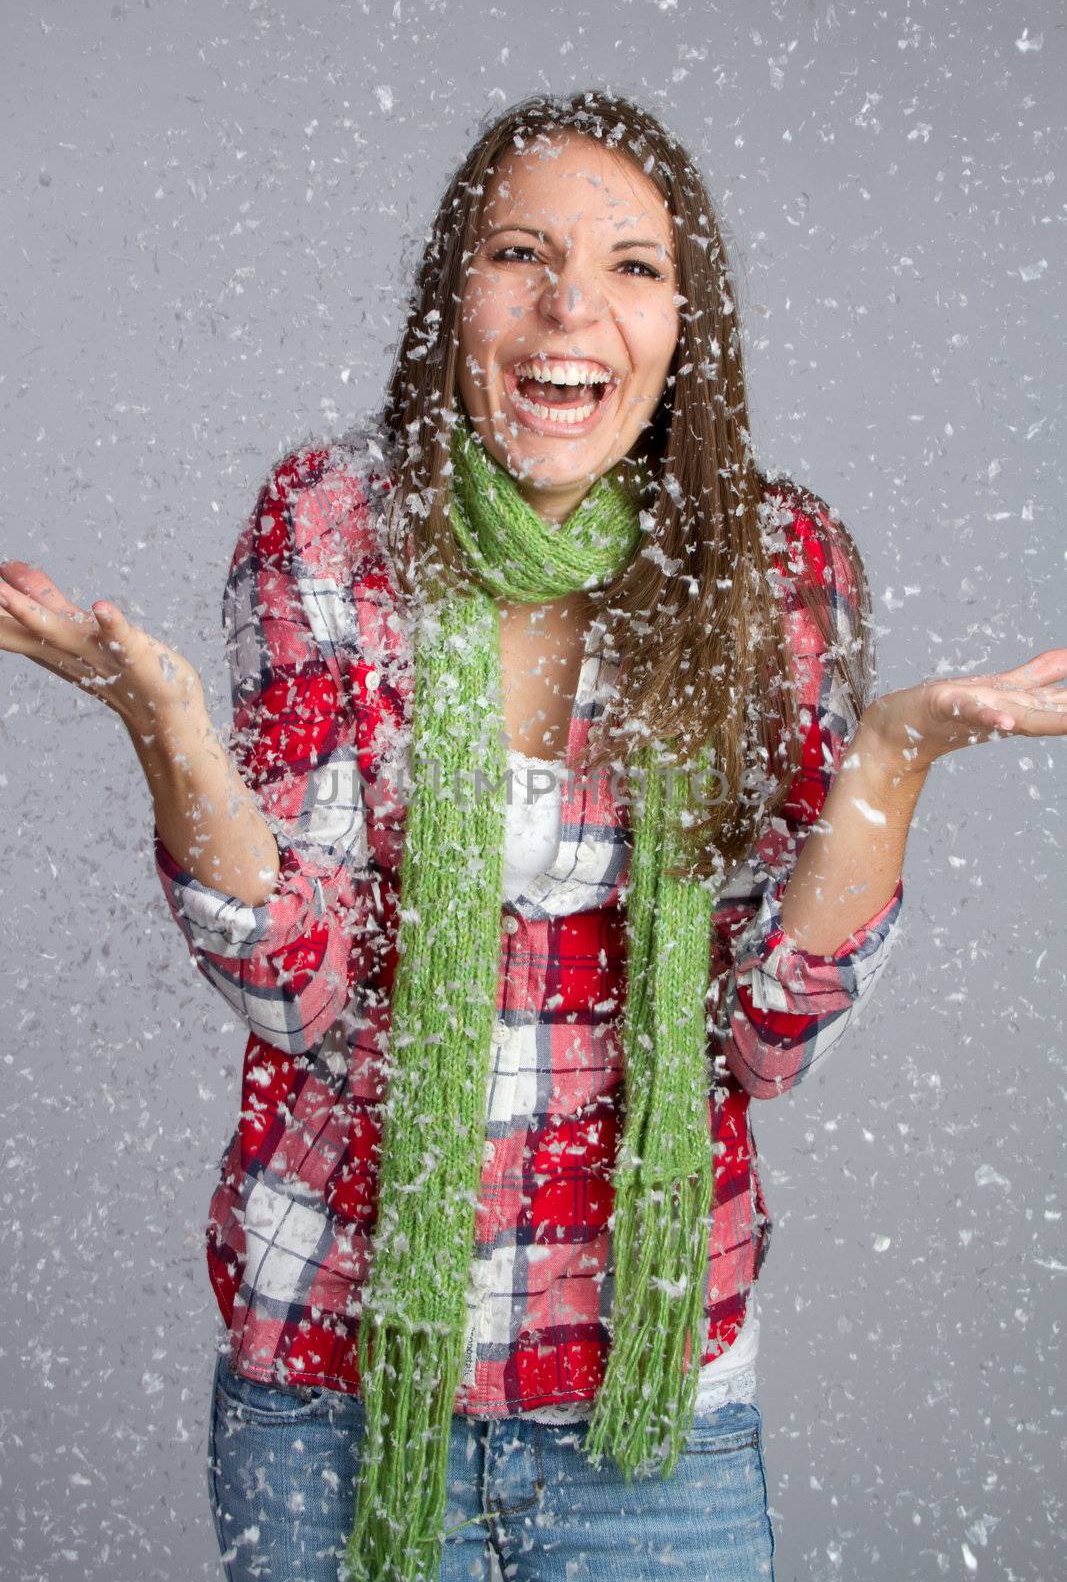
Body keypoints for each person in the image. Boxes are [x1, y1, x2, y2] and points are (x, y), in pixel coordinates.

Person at [1, 90, 1064, 1582]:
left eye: (633, 265)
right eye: (520, 254)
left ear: (689, 322)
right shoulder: (333, 524)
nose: (572, 307)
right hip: (333, 1392)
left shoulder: (771, 566)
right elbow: (295, 989)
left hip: (655, 1423)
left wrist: (896, 756)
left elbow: (764, 1038)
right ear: (457, 298)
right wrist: (166, 731)